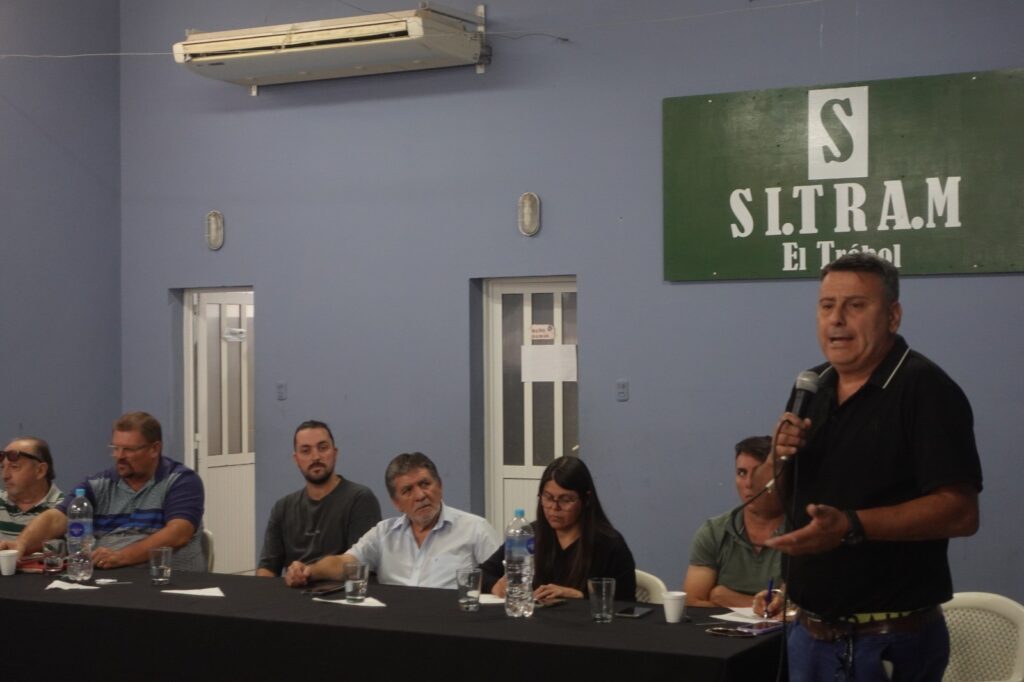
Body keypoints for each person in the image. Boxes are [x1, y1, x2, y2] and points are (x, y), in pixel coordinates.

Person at [752, 253, 982, 682]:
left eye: (855, 305)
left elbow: (960, 512)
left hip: (887, 640)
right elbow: (765, 508)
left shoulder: (925, 388)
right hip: (808, 632)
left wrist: (850, 525)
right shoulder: (812, 386)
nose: (836, 319)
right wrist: (777, 456)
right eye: (827, 305)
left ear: (892, 316)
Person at [0, 412, 207, 571]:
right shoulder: (98, 484)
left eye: (129, 449)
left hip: (171, 584)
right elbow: (56, 518)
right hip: (110, 584)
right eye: (115, 448)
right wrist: (21, 544)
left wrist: (122, 556)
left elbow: (178, 533)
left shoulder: (180, 480)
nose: (119, 456)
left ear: (154, 449)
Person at [284, 452, 499, 589]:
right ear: (396, 503)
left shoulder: (475, 529)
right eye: (407, 490)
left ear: (440, 486)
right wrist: (308, 571)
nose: (420, 495)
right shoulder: (383, 533)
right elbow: (345, 564)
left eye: (425, 484)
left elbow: (503, 582)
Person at [480, 456, 636, 602]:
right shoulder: (529, 534)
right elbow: (482, 573)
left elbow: (625, 603)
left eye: (565, 500)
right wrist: (495, 586)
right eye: (547, 497)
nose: (554, 508)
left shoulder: (609, 544)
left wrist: (579, 596)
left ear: (586, 499)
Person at [256, 420, 382, 577]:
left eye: (323, 448)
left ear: (335, 453)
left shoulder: (360, 499)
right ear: (296, 459)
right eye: (306, 451)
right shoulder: (283, 507)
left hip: (341, 591)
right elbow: (267, 568)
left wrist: (309, 573)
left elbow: (359, 566)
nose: (315, 457)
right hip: (292, 590)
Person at [683, 436, 784, 608]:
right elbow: (693, 602)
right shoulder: (714, 532)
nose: (749, 483)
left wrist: (728, 598)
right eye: (742, 473)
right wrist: (761, 607)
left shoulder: (802, 533)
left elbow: (796, 610)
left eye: (758, 473)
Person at [0, 437, 64, 541]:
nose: (5, 476)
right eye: (2, 467)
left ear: (40, 471)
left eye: (14, 467)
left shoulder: (65, 511)